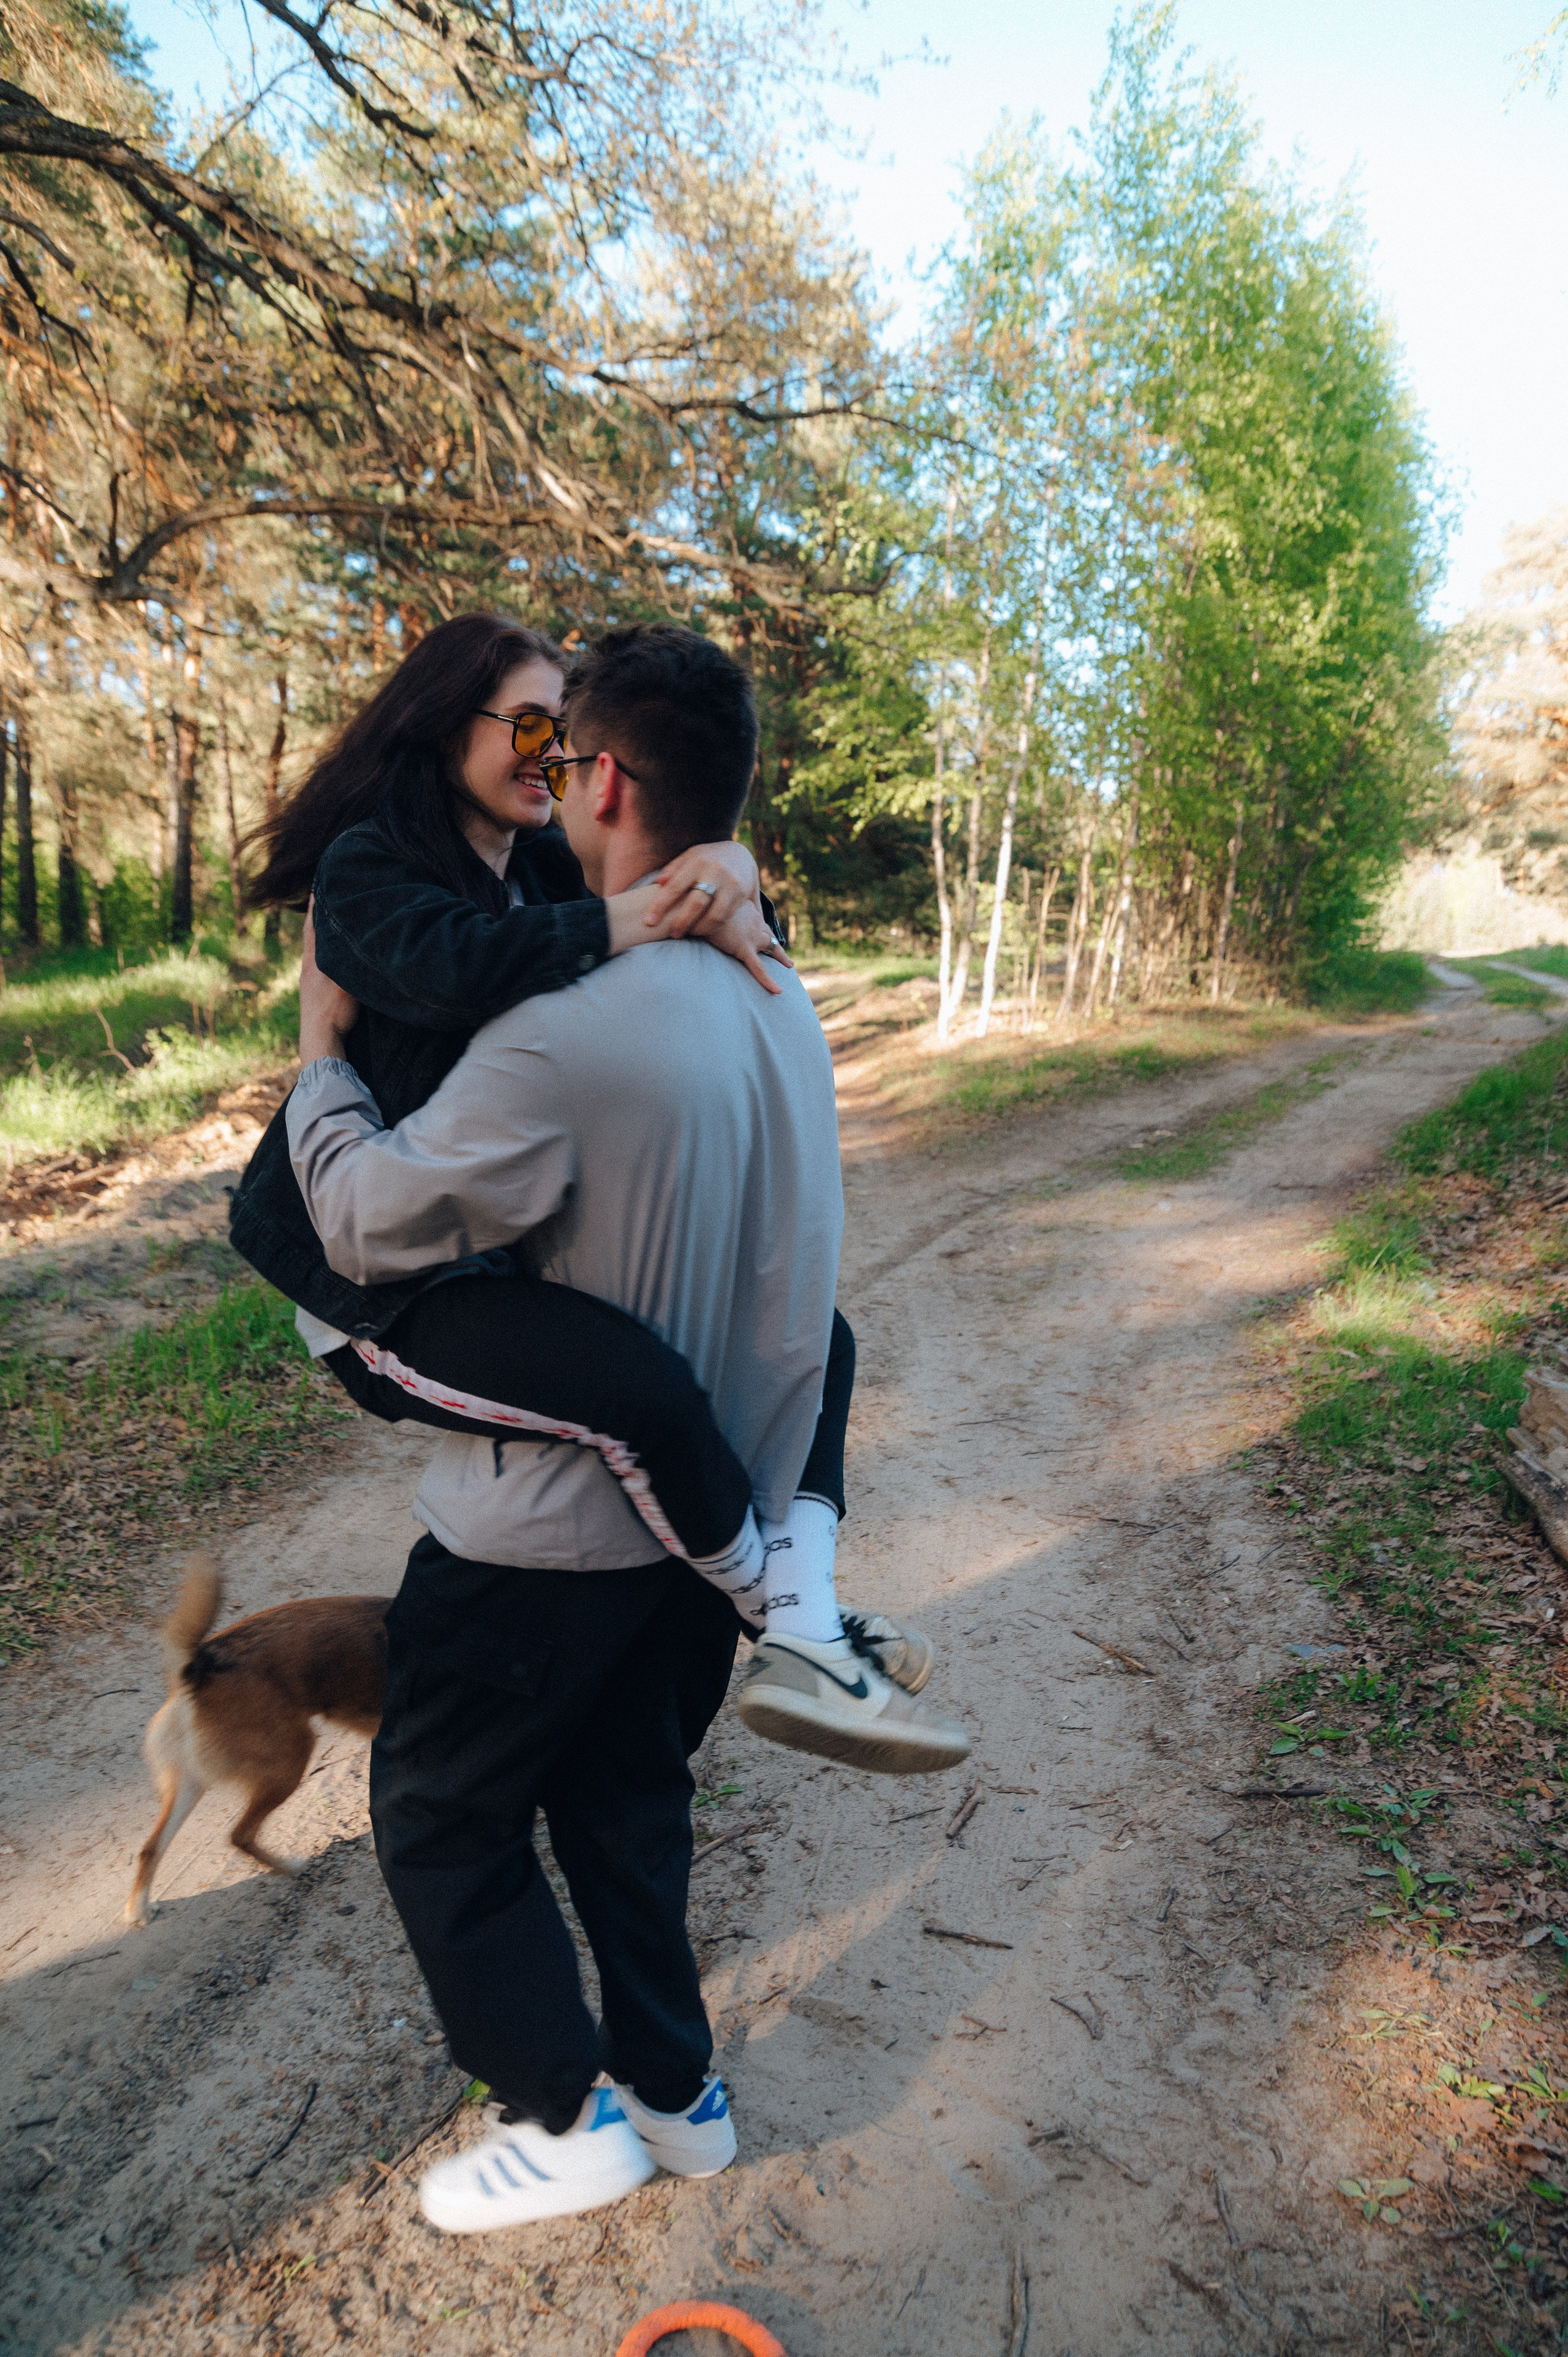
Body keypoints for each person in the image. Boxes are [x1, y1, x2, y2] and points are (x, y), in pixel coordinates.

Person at [287, 625, 971, 2230]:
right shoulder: (779, 991)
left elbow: (376, 1225)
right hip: (699, 1525)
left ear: (597, 780)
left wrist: (321, 1065)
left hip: (540, 1538)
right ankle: (678, 2096)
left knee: (443, 1818)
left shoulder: (570, 1033)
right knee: (622, 1807)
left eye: (554, 754)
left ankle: (565, 2115)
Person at [231, 612, 922, 1676]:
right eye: (527, 726)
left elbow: (659, 858)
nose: (552, 758)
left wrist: (728, 864)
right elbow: (458, 966)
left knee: (817, 1335)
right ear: (439, 723)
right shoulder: (366, 869)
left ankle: (805, 1596)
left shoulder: (546, 865)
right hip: (373, 1282)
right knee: (634, 1390)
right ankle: (779, 1615)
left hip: (480, 1241)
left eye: (566, 735)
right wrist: (637, 915)